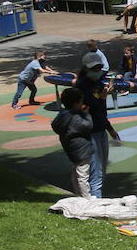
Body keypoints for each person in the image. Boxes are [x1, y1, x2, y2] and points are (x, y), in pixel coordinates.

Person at [75, 53, 120, 198]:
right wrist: (102, 97)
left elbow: (101, 111)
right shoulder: (81, 87)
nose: (98, 71)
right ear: (86, 68)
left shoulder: (98, 83)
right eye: (94, 68)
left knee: (101, 169)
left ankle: (96, 198)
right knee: (96, 172)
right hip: (90, 132)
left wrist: (110, 129)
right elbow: (90, 108)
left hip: (101, 130)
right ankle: (96, 203)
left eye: (99, 67)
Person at [51, 87, 95, 197]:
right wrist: (86, 114)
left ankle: (78, 195)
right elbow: (88, 126)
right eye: (80, 102)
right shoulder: (75, 117)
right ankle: (86, 198)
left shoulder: (62, 115)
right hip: (81, 149)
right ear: (76, 103)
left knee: (76, 173)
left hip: (71, 148)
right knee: (83, 175)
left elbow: (55, 125)